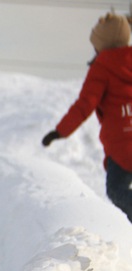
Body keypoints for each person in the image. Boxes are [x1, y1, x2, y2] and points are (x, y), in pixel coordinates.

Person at [43, 12, 132, 223]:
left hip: (121, 148)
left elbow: (86, 103)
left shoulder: (102, 67)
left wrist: (60, 131)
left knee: (116, 189)